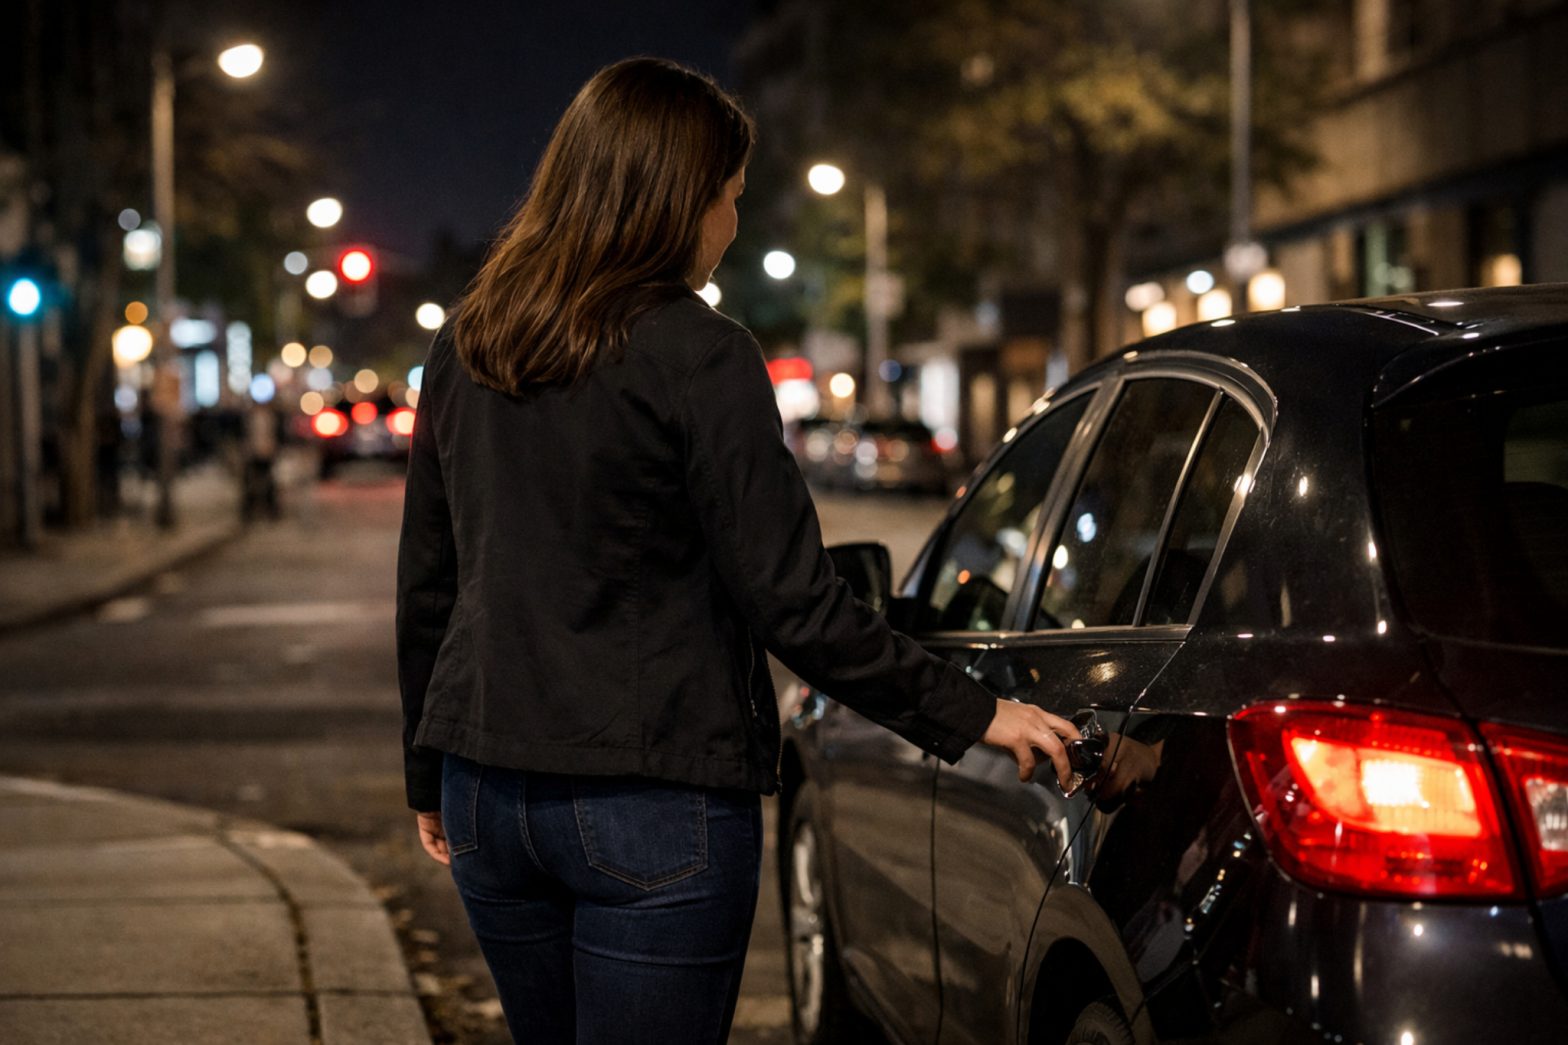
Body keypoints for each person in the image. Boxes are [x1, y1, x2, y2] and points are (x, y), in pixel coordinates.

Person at [395, 56, 1081, 1045]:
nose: (728, 225)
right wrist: (979, 711)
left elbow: (431, 581)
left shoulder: (468, 343)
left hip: (484, 788)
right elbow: (793, 601)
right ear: (676, 202)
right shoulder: (699, 353)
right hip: (649, 794)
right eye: (727, 199)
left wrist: (429, 770)